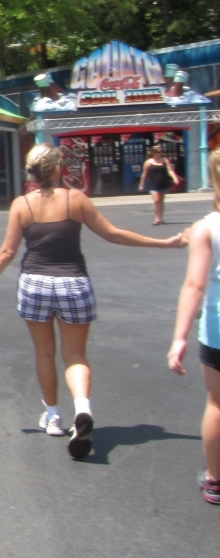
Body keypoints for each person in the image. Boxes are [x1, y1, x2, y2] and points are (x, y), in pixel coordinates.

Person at [0, 143, 187, 460]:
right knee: (75, 355)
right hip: (74, 283)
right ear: (57, 169)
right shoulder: (76, 200)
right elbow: (113, 234)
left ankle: (53, 417)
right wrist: (164, 243)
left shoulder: (21, 206)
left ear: (32, 172)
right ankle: (82, 409)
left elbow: (7, 252)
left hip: (34, 284)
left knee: (44, 352)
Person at [167, 146, 220, 504]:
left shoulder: (206, 229)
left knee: (217, 403)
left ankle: (215, 480)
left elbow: (195, 285)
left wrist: (179, 338)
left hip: (217, 332)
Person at [139, 144, 181, 225]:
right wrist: (141, 185)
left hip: (163, 182)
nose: (160, 153)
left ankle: (161, 218)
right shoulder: (148, 162)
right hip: (153, 184)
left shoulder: (164, 160)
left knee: (161, 201)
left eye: (161, 151)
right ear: (153, 152)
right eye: (158, 152)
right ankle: (157, 218)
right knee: (156, 200)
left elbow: (170, 170)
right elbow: (144, 174)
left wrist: (174, 178)